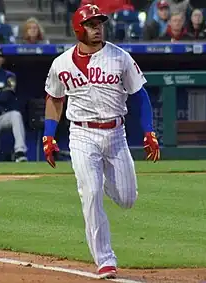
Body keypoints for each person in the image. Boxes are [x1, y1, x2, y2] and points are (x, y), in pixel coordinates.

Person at [43, 4, 160, 279]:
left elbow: (139, 94)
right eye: (91, 24)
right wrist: (48, 135)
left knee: (128, 198)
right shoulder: (61, 63)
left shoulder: (120, 58)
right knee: (91, 193)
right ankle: (105, 259)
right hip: (82, 135)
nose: (97, 28)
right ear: (78, 29)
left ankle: (100, 178)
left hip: (116, 134)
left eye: (100, 23)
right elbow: (54, 98)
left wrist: (148, 130)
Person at [0, 47, 27, 162]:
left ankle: (20, 152)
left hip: (2, 116)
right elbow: (1, 96)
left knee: (16, 116)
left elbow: (6, 97)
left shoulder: (9, 76)